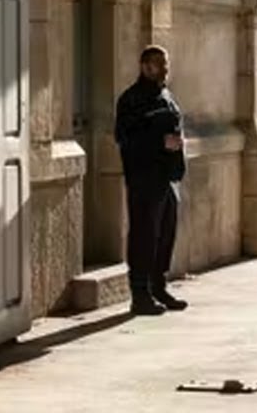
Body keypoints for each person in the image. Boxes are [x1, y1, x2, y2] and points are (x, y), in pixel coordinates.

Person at [115, 45, 189, 316]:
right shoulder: (131, 100)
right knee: (144, 235)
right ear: (145, 66)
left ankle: (159, 286)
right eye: (160, 64)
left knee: (165, 234)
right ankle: (140, 293)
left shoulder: (166, 96)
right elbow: (125, 139)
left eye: (166, 64)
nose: (165, 69)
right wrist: (160, 142)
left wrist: (178, 147)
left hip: (167, 178)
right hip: (143, 178)